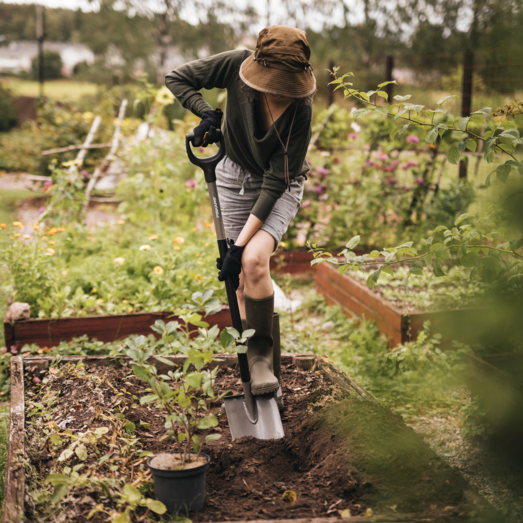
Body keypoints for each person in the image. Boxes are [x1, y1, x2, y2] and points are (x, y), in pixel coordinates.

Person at [166, 25, 315, 397]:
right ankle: (256, 366)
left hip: (278, 183)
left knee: (252, 260)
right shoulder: (235, 65)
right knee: (239, 283)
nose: (279, 92)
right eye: (273, 83)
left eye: (286, 85)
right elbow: (178, 78)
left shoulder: (301, 109)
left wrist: (239, 246)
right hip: (232, 176)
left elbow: (276, 182)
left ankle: (262, 357)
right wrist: (207, 115)